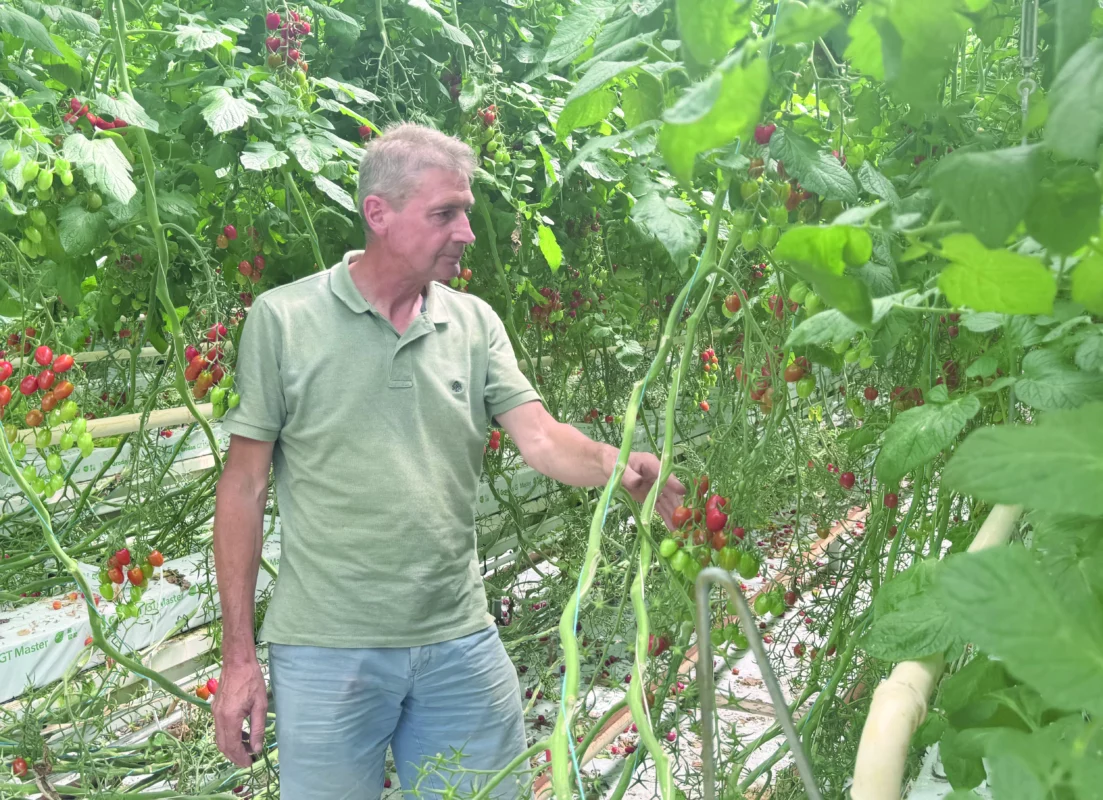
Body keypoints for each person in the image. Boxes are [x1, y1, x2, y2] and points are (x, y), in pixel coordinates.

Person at [211, 122, 686, 800]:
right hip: (327, 647)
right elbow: (243, 486)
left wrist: (617, 464)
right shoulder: (283, 319)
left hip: (458, 638)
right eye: (445, 214)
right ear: (378, 213)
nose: (466, 231)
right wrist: (237, 658)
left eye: (465, 211)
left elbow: (541, 437)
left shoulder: (473, 322)